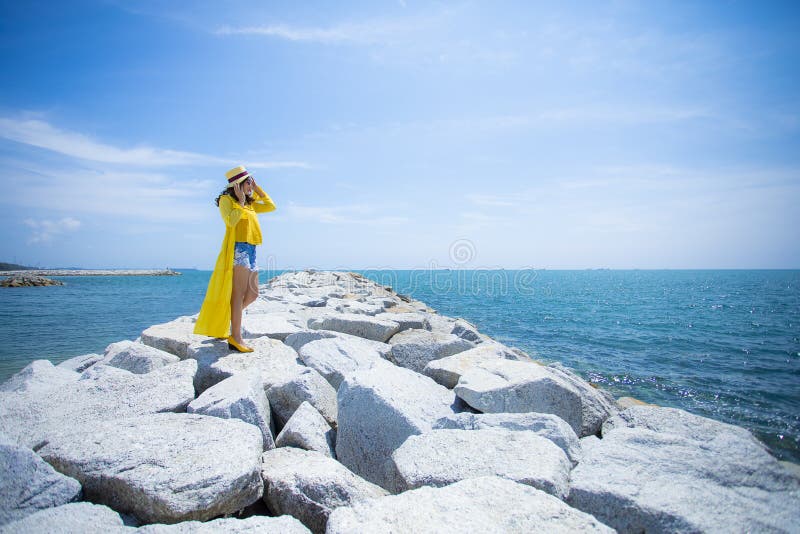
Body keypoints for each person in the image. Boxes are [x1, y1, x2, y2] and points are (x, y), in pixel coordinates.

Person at [193, 165, 276, 352]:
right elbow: (230, 221)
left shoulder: (251, 203)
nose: (250, 185)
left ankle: (226, 321)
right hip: (238, 249)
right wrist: (239, 201)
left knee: (253, 293)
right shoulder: (227, 200)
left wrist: (257, 189)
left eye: (251, 182)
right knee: (237, 294)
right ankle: (235, 337)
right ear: (237, 185)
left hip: (252, 249)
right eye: (248, 182)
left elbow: (271, 206)